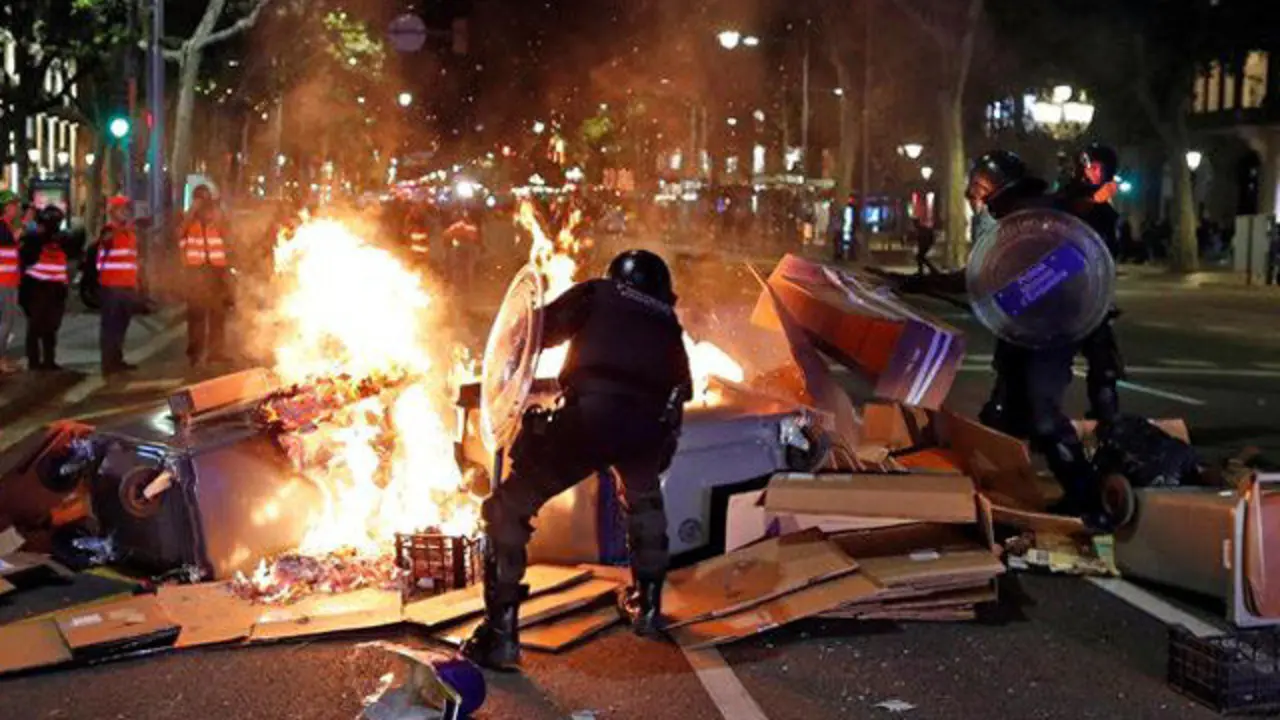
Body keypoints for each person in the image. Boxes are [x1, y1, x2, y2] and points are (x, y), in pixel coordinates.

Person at [462, 250, 692, 670]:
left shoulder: (598, 293)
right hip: (646, 429)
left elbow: (533, 333)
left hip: (592, 418)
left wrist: (505, 385)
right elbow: (680, 397)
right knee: (644, 503)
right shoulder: (668, 324)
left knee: (507, 509)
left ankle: (499, 636)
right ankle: (648, 608)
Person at [896, 151, 1101, 523]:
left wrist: (1007, 291)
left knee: (1042, 417)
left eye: (980, 186)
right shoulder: (1015, 221)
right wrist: (924, 283)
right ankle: (996, 500)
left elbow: (1053, 271)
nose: (976, 195)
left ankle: (1088, 498)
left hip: (1048, 334)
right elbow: (985, 273)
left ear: (1000, 185)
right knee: (1003, 416)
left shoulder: (1034, 221)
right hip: (1022, 334)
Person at [1057, 143, 1125, 423]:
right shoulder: (1066, 198)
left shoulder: (1106, 212)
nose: (1090, 173)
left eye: (1096, 168)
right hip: (1060, 293)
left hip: (1093, 294)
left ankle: (1107, 419)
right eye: (1087, 167)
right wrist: (1092, 200)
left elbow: (1109, 249)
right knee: (1048, 364)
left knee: (1104, 365)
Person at [178, 185, 232, 367]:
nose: (204, 205)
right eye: (200, 200)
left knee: (217, 313)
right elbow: (178, 234)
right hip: (195, 273)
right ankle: (195, 353)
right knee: (196, 314)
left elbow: (227, 237)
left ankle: (216, 352)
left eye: (206, 200)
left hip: (216, 272)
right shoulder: (188, 222)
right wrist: (192, 212)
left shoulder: (216, 221)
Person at [18, 206, 71, 371]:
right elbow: (24, 259)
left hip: (54, 288)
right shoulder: (34, 239)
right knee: (37, 326)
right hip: (38, 287)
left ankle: (48, 360)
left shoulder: (62, 240)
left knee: (50, 326)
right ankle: (35, 361)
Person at [97, 196, 141, 375]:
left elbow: (132, 260)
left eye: (127, 209)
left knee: (121, 326)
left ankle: (116, 359)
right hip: (111, 287)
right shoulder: (108, 231)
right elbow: (105, 242)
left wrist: (136, 282)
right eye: (122, 209)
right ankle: (109, 363)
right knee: (111, 326)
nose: (126, 212)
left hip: (127, 286)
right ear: (113, 212)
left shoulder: (129, 233)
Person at [0, 191, 23, 374]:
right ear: (6, 207)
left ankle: (3, 357)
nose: (16, 209)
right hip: (4, 280)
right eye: (14, 205)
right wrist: (18, 235)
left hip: (10, 279)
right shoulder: (2, 226)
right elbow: (8, 243)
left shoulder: (6, 226)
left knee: (8, 320)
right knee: (6, 321)